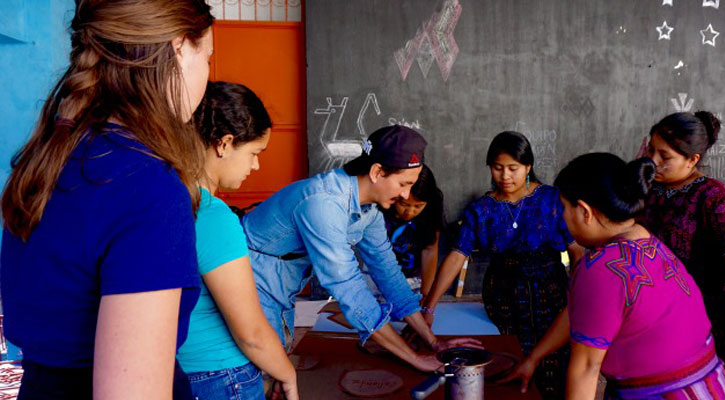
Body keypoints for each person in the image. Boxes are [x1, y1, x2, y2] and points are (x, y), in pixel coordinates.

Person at [0, 1, 213, 398]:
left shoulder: (51, 160)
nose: (207, 77)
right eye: (208, 57)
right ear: (180, 47)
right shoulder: (148, 186)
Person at [241, 125, 479, 372]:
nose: (406, 194)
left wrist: (433, 342)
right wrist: (414, 358)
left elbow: (388, 274)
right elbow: (349, 289)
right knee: (257, 374)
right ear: (377, 172)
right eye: (403, 184)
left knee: (274, 369)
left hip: (282, 288)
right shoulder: (324, 204)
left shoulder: (370, 212)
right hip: (248, 282)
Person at [557, 153, 725, 400]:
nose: (562, 218)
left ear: (585, 211)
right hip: (710, 388)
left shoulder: (601, 268)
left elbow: (586, 369)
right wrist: (535, 358)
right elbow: (586, 315)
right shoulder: (644, 239)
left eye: (564, 208)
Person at [423, 131, 583, 399]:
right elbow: (456, 255)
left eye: (513, 168)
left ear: (528, 167)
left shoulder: (552, 200)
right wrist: (429, 306)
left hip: (551, 293)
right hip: (504, 297)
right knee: (509, 356)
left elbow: (576, 250)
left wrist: (579, 293)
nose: (505, 176)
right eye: (498, 168)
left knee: (555, 358)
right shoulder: (482, 208)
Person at [176, 82, 298, 400]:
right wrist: (287, 373)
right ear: (225, 144)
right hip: (221, 376)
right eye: (254, 153)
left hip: (179, 370)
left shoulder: (167, 200)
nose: (255, 166)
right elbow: (251, 333)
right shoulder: (213, 216)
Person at [641, 111, 725, 394]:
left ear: (693, 160)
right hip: (654, 315)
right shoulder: (647, 192)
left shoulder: (715, 198)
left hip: (706, 319)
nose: (653, 161)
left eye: (665, 156)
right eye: (651, 150)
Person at [380, 164, 445, 296]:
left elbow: (430, 250)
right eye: (404, 204)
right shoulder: (380, 209)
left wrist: (426, 293)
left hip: (413, 280)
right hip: (378, 277)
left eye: (418, 206)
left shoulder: (432, 209)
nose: (410, 212)